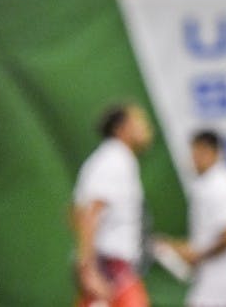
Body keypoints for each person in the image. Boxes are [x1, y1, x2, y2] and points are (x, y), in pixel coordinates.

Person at [157, 130, 226, 307]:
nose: (192, 159)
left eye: (196, 152)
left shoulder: (220, 186)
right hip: (216, 286)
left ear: (210, 151)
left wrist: (196, 256)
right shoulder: (209, 185)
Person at [71, 102, 154, 307]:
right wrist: (89, 270)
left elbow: (76, 212)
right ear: (121, 128)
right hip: (107, 268)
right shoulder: (113, 160)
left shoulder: (119, 160)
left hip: (112, 267)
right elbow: (88, 214)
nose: (146, 128)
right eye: (139, 121)